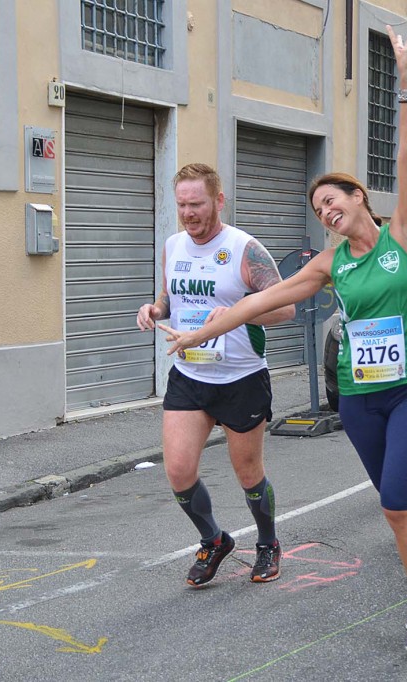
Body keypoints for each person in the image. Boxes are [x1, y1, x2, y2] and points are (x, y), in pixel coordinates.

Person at [158, 27, 407, 652]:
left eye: (332, 200)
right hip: (359, 397)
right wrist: (198, 332)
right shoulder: (329, 263)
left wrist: (406, 82)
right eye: (318, 209)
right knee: (393, 501)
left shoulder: (403, 236)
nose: (326, 212)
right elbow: (256, 303)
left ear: (359, 197)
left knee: (397, 501)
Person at [135, 163, 296, 587]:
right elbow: (170, 298)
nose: (188, 214)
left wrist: (240, 312)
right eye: (182, 205)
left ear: (218, 201)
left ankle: (267, 543)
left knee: (248, 473)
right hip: (190, 375)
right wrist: (154, 310)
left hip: (241, 378)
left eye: (197, 204)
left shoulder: (245, 249)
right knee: (178, 471)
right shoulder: (173, 246)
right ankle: (214, 540)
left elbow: (286, 308)